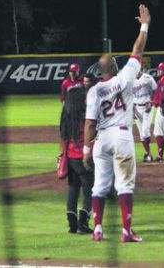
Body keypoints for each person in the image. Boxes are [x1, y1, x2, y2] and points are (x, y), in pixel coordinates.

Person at [83, 4, 150, 243]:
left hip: (101, 139)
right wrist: (145, 25)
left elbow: (90, 124)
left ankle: (98, 229)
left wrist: (86, 149)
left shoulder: (93, 92)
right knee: (124, 185)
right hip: (121, 136)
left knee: (99, 185)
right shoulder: (124, 77)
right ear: (113, 68)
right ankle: (126, 231)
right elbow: (138, 49)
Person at [60, 74, 97, 234]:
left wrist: (63, 156)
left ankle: (72, 225)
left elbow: (64, 138)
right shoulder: (84, 118)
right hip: (84, 157)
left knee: (73, 189)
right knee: (89, 190)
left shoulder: (66, 116)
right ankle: (83, 224)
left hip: (70, 157)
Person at [132, 68, 157, 163]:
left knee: (145, 131)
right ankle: (149, 154)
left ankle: (149, 154)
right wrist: (132, 111)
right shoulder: (130, 80)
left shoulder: (148, 78)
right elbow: (129, 97)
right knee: (142, 135)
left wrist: (151, 102)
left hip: (147, 107)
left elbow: (155, 90)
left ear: (140, 69)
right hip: (136, 108)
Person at [152, 62, 164, 161]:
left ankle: (161, 155)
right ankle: (161, 156)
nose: (158, 71)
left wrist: (161, 106)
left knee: (161, 132)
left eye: (160, 69)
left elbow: (163, 96)